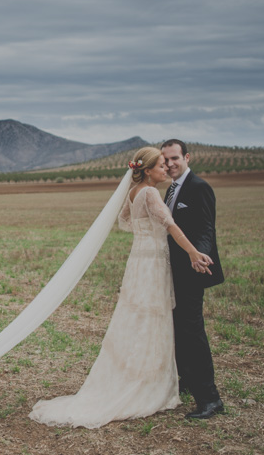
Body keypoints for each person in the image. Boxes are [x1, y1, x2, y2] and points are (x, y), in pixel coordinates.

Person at [29, 146, 213, 429]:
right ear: (148, 170)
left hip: (138, 262)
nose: (166, 169)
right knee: (153, 320)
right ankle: (147, 384)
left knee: (135, 318)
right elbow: (171, 226)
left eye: (168, 164)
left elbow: (124, 221)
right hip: (152, 264)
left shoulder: (133, 191)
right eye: (161, 165)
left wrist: (145, 231)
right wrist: (192, 252)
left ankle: (142, 375)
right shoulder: (151, 192)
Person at [161, 139, 225, 420]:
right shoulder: (171, 189)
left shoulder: (199, 187)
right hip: (172, 273)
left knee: (192, 333)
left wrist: (200, 255)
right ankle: (186, 382)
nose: (170, 164)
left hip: (191, 272)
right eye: (166, 160)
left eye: (175, 158)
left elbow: (206, 227)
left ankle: (210, 399)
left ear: (187, 157)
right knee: (178, 330)